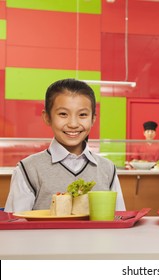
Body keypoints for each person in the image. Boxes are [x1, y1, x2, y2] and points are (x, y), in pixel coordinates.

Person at [4, 78, 126, 212]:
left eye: (83, 115)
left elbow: (119, 218)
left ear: (93, 119)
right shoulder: (27, 170)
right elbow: (15, 225)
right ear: (47, 117)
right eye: (63, 114)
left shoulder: (107, 169)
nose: (73, 124)